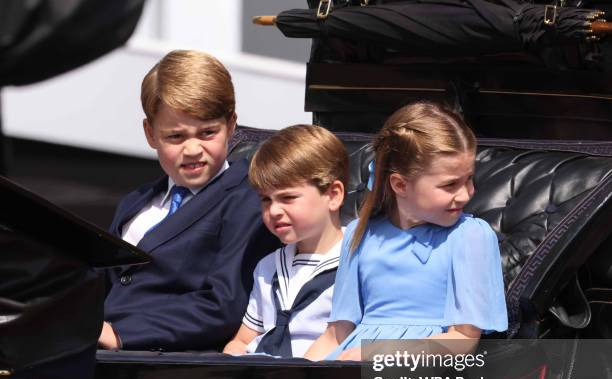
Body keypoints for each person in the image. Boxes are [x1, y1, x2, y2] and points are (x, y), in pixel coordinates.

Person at [99, 50, 277, 351]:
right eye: (176, 137)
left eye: (207, 133)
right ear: (150, 133)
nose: (193, 149)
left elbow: (224, 303)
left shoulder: (250, 199)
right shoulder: (136, 202)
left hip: (167, 362)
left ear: (231, 126)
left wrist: (120, 334)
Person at [305, 101, 508, 361]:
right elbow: (337, 333)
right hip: (351, 367)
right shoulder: (360, 234)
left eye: (469, 179)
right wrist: (300, 378)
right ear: (400, 184)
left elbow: (465, 338)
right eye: (450, 185)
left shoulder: (470, 235)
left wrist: (379, 354)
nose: (466, 193)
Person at [223, 125, 347, 358]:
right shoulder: (267, 267)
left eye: (288, 198)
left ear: (333, 195)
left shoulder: (358, 262)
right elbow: (243, 340)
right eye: (266, 200)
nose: (274, 210)